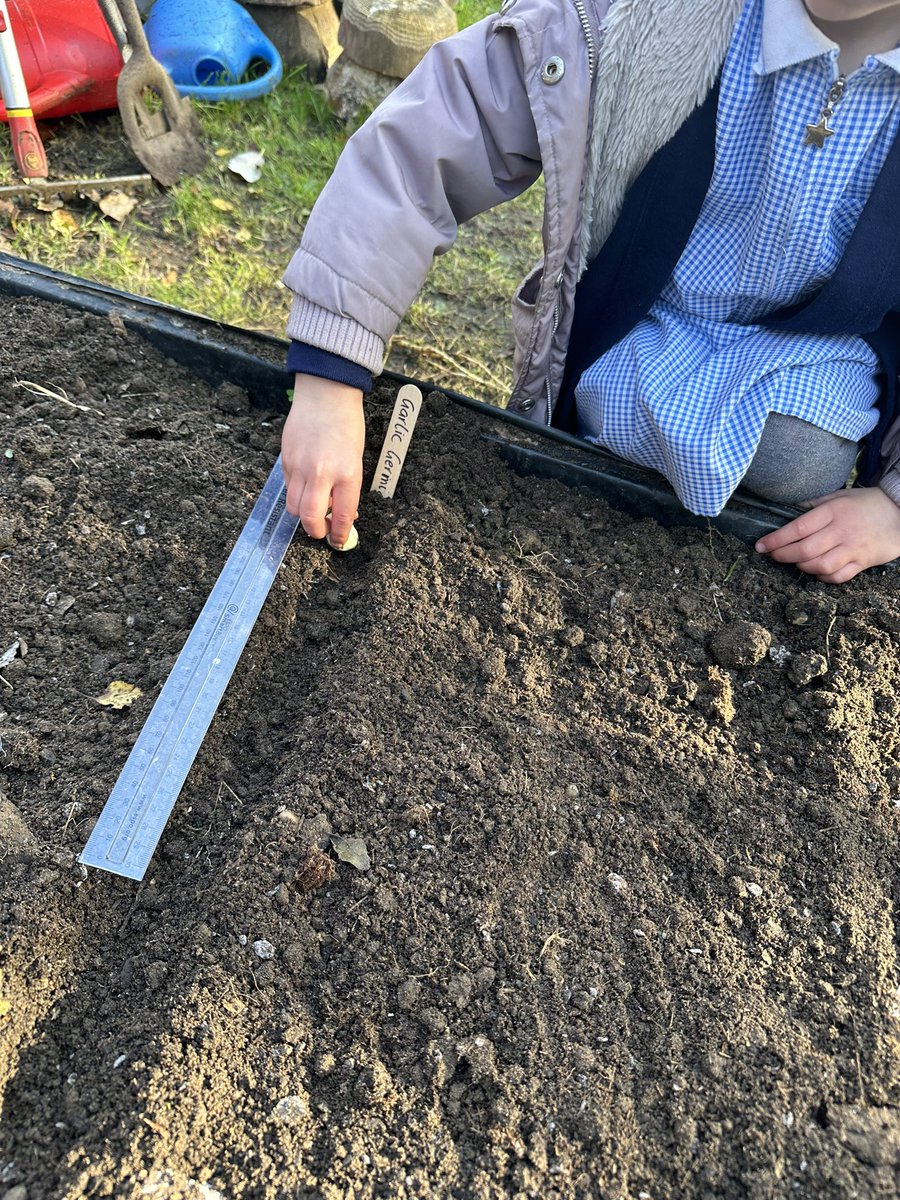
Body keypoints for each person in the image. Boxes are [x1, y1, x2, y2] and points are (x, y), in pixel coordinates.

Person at [280, 0, 900, 584]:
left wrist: (894, 506)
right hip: (638, 327)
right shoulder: (632, 17)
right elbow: (430, 139)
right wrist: (331, 378)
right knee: (597, 430)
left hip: (816, 355)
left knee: (794, 453)